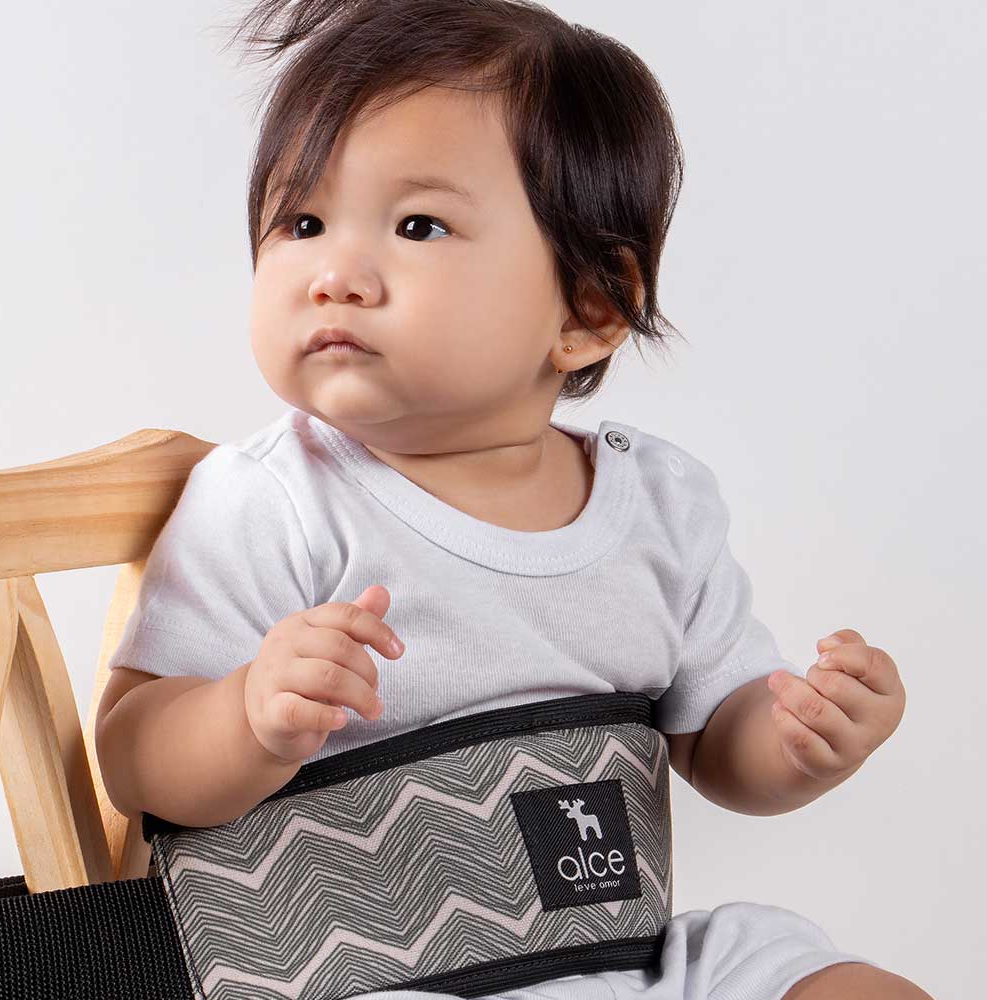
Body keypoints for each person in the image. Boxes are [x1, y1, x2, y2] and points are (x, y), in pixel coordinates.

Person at [95, 2, 931, 998]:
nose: (334, 275)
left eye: (417, 224)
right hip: (369, 975)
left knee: (820, 975)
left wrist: (799, 737)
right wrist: (245, 716)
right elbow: (132, 753)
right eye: (302, 222)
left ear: (589, 308)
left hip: (618, 956)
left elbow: (718, 740)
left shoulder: (658, 507)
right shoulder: (274, 501)